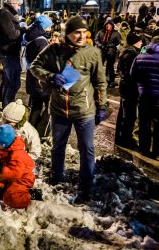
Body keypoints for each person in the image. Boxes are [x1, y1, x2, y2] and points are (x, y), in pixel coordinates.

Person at [30, 16, 107, 203]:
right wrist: (50, 76)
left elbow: (100, 82)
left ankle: (86, 186)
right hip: (58, 110)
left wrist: (102, 106)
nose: (81, 36)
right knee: (58, 147)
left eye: (84, 32)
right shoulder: (54, 49)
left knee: (87, 149)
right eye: (76, 33)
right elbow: (34, 67)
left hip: (83, 111)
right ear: (68, 34)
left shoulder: (93, 52)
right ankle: (56, 178)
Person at [131, 35, 159, 159]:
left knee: (144, 122)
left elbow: (133, 74)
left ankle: (144, 148)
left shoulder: (139, 57)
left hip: (144, 94)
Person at [0, 125, 36, 209]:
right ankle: (5, 188)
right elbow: (2, 161)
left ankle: (32, 195)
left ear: (4, 144)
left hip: (22, 179)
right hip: (10, 175)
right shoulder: (7, 149)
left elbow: (15, 174)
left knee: (11, 197)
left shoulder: (17, 155)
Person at [0, 0, 24, 108]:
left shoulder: (6, 13)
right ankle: (8, 108)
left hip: (8, 52)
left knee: (8, 82)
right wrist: (23, 30)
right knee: (13, 83)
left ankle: (5, 106)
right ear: (12, 3)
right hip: (8, 53)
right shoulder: (5, 14)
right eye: (18, 4)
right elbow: (11, 34)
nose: (19, 7)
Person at [25, 15, 52, 134]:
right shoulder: (42, 41)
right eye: (49, 25)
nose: (51, 27)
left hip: (32, 75)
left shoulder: (32, 38)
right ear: (44, 26)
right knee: (49, 108)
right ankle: (41, 133)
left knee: (35, 105)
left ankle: (30, 131)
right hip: (40, 79)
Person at [115, 33, 143, 149]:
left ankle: (120, 137)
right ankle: (126, 138)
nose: (141, 43)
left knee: (123, 112)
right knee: (130, 114)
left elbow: (119, 70)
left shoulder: (124, 52)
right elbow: (134, 73)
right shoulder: (133, 54)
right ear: (135, 42)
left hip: (124, 85)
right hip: (130, 87)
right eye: (140, 41)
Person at [94, 19, 121, 88]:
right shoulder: (101, 32)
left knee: (110, 67)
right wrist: (100, 45)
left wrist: (111, 45)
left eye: (110, 25)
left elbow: (118, 41)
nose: (108, 26)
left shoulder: (116, 33)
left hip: (111, 52)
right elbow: (96, 40)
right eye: (107, 25)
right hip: (101, 51)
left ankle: (111, 81)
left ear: (112, 26)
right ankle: (97, 80)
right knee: (99, 66)